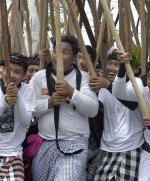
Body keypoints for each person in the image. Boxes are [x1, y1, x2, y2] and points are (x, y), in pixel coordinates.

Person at [29, 36, 98, 180]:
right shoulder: (39, 77)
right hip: (44, 142)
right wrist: (50, 102)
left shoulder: (83, 77)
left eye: (65, 52)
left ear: (74, 57)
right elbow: (29, 109)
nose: (58, 57)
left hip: (74, 143)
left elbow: (92, 110)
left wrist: (71, 92)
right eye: (56, 51)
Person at [90, 52, 144, 181]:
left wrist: (108, 86)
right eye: (110, 63)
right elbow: (94, 112)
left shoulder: (135, 83)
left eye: (117, 65)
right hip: (107, 146)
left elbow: (132, 105)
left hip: (131, 146)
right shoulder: (103, 87)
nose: (111, 68)